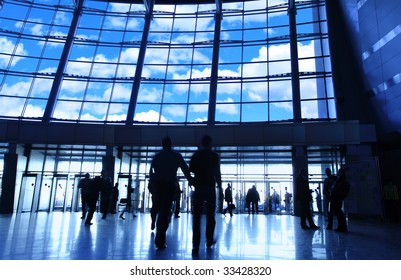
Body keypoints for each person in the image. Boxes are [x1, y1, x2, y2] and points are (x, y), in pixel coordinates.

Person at [149, 136, 193, 249]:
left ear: (162, 144)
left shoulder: (157, 157)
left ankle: (157, 228)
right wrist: (191, 181)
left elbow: (151, 173)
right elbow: (184, 169)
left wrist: (153, 187)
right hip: (168, 186)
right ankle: (160, 240)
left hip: (158, 186)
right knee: (164, 212)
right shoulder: (175, 155)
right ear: (171, 143)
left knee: (157, 209)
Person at [189, 135, 222, 255]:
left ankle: (195, 246)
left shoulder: (196, 155)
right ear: (210, 143)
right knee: (210, 216)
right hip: (210, 187)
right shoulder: (214, 156)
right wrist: (220, 188)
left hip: (198, 187)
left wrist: (193, 179)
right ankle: (209, 240)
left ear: (202, 143)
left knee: (196, 217)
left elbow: (191, 169)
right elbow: (217, 173)